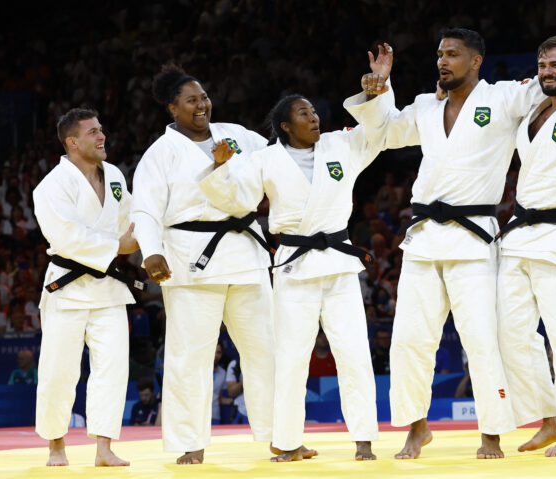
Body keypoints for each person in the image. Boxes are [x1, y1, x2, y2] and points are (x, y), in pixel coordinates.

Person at [345, 28, 545, 460]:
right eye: (439, 54)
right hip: (423, 238)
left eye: (453, 54)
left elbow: (551, 90)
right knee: (409, 340)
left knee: (482, 340)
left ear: (476, 61)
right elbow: (384, 134)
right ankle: (417, 427)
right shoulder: (425, 105)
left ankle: (491, 432)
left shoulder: (504, 98)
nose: (443, 60)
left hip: (473, 237)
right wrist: (380, 90)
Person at [198, 48, 394, 460]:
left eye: (315, 112)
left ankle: (364, 439)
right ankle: (287, 442)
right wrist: (218, 170)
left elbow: (377, 132)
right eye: (304, 114)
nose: (314, 118)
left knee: (355, 353)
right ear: (286, 126)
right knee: (290, 359)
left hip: (339, 265)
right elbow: (238, 199)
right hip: (293, 267)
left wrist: (378, 91)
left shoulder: (342, 145)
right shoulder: (265, 159)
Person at [131, 63, 276, 465]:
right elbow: (144, 208)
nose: (202, 105)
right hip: (190, 259)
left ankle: (280, 435)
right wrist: (151, 251)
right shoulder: (160, 154)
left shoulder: (238, 135)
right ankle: (190, 443)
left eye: (205, 97)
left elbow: (278, 162)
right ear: (172, 108)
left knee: (266, 349)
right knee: (189, 357)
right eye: (192, 100)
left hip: (246, 253)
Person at [494, 34, 556, 457]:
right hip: (520, 230)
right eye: (543, 65)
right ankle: (549, 418)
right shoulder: (533, 108)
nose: (548, 72)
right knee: (511, 332)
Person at [33, 107, 139, 467]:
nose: (101, 136)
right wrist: (116, 246)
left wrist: (141, 243)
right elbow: (68, 238)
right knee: (59, 371)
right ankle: (56, 447)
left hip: (108, 289)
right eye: (92, 132)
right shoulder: (51, 186)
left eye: (101, 130)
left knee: (112, 369)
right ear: (72, 142)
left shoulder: (114, 177)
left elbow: (130, 223)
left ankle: (104, 448)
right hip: (67, 289)